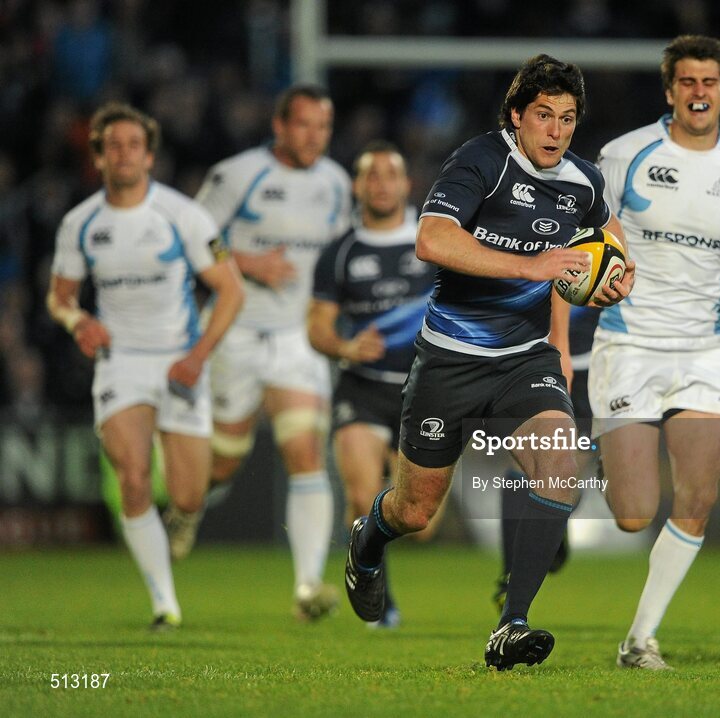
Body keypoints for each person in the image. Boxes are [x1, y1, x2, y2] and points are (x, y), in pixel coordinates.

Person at [343, 54, 634, 670]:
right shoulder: (481, 161)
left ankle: (513, 622)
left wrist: (615, 279)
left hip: (524, 359)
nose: (556, 130)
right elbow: (432, 240)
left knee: (562, 462)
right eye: (544, 116)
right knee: (416, 511)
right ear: (516, 117)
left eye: (568, 118)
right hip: (450, 358)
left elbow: (612, 249)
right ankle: (367, 542)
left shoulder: (584, 181)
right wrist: (534, 265)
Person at [592, 35, 720, 669]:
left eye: (709, 82)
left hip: (704, 351)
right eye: (687, 82)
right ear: (669, 91)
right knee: (632, 514)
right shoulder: (623, 156)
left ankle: (639, 640)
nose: (699, 92)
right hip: (628, 343)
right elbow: (587, 242)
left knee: (700, 496)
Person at [46, 102, 243, 630]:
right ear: (98, 157)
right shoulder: (80, 223)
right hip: (121, 364)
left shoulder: (182, 215)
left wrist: (199, 355)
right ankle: (164, 603)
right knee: (132, 479)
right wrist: (77, 322)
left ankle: (185, 518)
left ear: (149, 155)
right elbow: (59, 297)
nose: (124, 153)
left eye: (134, 144)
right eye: (113, 145)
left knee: (188, 494)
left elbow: (230, 290)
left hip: (180, 361)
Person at [188, 84, 353, 620]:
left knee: (306, 453)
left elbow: (337, 255)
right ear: (280, 127)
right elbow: (188, 238)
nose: (313, 137)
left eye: (323, 127)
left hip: (296, 338)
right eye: (303, 125)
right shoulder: (238, 174)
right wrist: (248, 264)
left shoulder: (334, 183)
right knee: (223, 463)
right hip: (234, 331)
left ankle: (308, 588)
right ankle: (187, 509)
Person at [307, 142, 433, 629]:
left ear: (406, 184)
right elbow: (317, 325)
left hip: (426, 390)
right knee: (362, 496)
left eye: (390, 174)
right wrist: (344, 347)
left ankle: (366, 542)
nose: (381, 183)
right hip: (362, 388)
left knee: (419, 524)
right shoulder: (339, 252)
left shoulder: (434, 238)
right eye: (370, 175)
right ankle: (380, 603)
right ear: (357, 187)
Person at [492, 303, 601, 612]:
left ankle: (552, 532)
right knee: (525, 465)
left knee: (567, 478)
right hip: (534, 360)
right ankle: (509, 576)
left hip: (597, 364)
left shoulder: (621, 256)